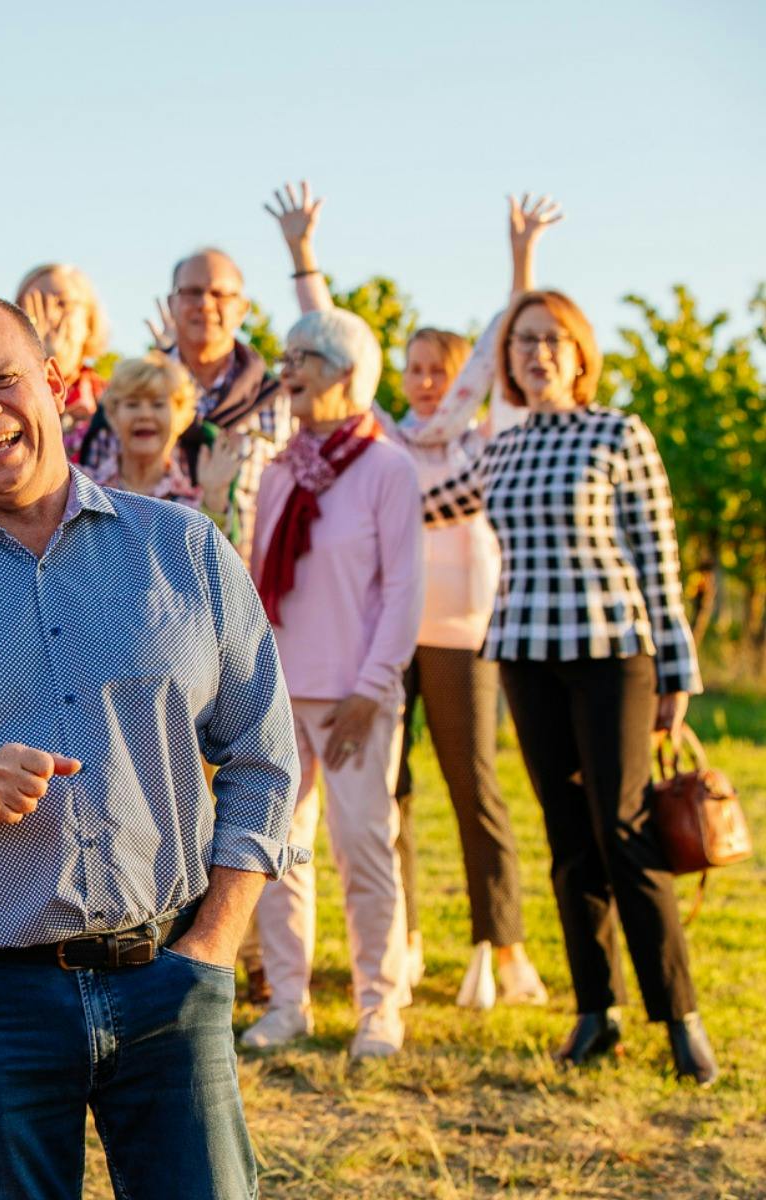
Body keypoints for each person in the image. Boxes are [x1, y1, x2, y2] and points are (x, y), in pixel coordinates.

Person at [0, 293, 303, 1198]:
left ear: (58, 383)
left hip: (172, 979)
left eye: (4, 379)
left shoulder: (184, 549)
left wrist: (216, 940)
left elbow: (264, 754)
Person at [265, 182, 549, 1007]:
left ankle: (486, 951)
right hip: (345, 650)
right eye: (415, 370)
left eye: (439, 373)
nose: (426, 384)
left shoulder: (459, 446)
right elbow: (328, 342)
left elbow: (495, 353)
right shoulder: (349, 451)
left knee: (458, 794)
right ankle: (385, 953)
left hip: (442, 636)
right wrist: (302, 256)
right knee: (367, 813)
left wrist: (522, 264)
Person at [425, 288, 718, 1085]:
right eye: (524, 341)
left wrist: (676, 674)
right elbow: (427, 504)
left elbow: (657, 559)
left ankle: (680, 1018)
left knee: (624, 829)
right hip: (525, 656)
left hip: (613, 653)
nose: (538, 353)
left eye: (553, 339)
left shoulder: (619, 434)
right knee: (566, 837)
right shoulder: (501, 449)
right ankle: (596, 1013)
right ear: (508, 358)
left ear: (581, 353)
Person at [239, 308, 424, 1059]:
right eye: (284, 357)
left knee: (363, 849)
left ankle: (380, 1006)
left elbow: (403, 591)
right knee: (281, 852)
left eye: (302, 358)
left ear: (348, 372)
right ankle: (290, 1002)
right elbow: (258, 580)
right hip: (281, 694)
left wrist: (372, 690)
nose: (286, 371)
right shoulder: (279, 469)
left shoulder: (388, 468)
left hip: (356, 697)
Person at [160, 247, 294, 554]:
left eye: (219, 294)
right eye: (192, 292)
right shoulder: (136, 395)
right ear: (172, 304)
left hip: (251, 574)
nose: (205, 304)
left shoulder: (278, 400)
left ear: (243, 309)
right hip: (148, 574)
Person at [15, 263, 111, 468]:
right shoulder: (4, 399)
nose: (51, 316)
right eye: (37, 305)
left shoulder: (112, 398)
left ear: (89, 319)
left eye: (62, 303)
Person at [88, 351, 200, 502]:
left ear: (181, 416)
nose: (145, 415)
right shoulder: (79, 492)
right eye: (132, 404)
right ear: (113, 414)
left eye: (158, 404)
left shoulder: (197, 505)